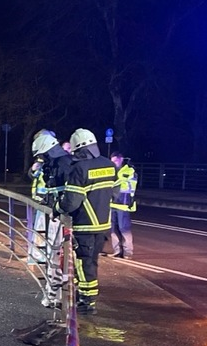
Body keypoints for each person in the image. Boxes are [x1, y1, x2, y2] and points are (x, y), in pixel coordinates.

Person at [60, 129, 116, 314]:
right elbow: (114, 193)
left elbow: (71, 202)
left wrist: (58, 207)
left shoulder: (80, 168)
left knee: (84, 263)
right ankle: (87, 297)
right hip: (103, 225)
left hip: (85, 224)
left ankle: (86, 301)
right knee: (92, 261)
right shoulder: (109, 164)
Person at [29, 130, 73, 307]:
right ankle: (52, 293)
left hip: (65, 216)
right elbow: (35, 176)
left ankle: (60, 295)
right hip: (55, 214)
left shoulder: (64, 163)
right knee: (52, 254)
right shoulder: (52, 163)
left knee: (62, 256)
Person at [109, 152, 138, 259]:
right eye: (112, 161)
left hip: (123, 204)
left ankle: (128, 252)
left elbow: (122, 182)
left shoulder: (128, 171)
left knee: (124, 229)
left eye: (116, 160)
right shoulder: (111, 171)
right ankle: (117, 251)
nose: (114, 163)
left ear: (121, 159)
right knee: (113, 230)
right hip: (112, 204)